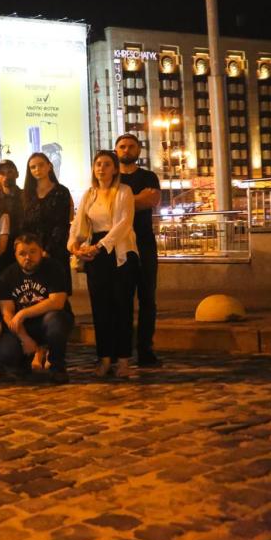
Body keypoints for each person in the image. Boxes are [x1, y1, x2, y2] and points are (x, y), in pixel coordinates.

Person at [69, 150, 139, 378]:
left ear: (115, 169)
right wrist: (75, 246)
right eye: (98, 164)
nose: (101, 168)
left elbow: (124, 224)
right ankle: (104, 358)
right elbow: (78, 226)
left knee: (122, 308)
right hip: (96, 254)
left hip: (120, 253)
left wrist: (99, 247)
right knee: (100, 309)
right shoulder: (89, 195)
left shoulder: (124, 191)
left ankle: (123, 360)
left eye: (107, 164)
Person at [0, 234, 73, 385]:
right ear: (15, 255)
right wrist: (24, 338)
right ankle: (21, 364)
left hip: (48, 321)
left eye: (33, 252)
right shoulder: (8, 275)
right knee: (5, 351)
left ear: (41, 251)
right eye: (22, 253)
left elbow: (57, 302)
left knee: (56, 321)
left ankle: (57, 367)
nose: (28, 257)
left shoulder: (53, 267)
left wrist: (23, 312)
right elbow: (7, 313)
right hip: (23, 327)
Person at [115, 133, 162, 367]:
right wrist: (136, 199)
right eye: (122, 146)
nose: (126, 150)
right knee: (121, 300)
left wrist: (120, 202)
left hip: (144, 244)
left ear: (139, 150)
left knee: (147, 298)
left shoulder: (148, 176)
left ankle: (145, 349)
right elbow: (108, 207)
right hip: (118, 244)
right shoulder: (112, 178)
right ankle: (121, 350)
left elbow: (151, 200)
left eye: (131, 146)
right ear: (116, 150)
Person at [21, 152, 74, 288]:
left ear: (49, 166)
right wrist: (31, 250)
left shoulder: (61, 191)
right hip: (31, 252)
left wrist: (47, 251)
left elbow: (62, 224)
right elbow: (24, 225)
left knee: (57, 290)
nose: (37, 169)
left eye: (41, 165)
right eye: (33, 167)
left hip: (55, 250)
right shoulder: (26, 194)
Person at [0, 160, 24, 236]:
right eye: (2, 173)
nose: (6, 177)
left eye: (10, 172)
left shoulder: (26, 196)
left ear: (17, 174)